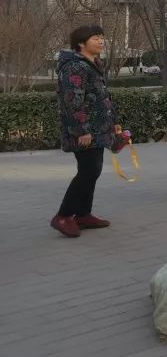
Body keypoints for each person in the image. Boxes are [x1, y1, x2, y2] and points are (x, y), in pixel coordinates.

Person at [51, 26, 119, 238]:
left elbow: (101, 96)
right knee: (88, 170)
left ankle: (82, 214)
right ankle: (63, 216)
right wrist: (82, 130)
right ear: (81, 43)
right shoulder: (74, 67)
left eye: (102, 37)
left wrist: (113, 122)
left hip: (98, 128)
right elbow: (73, 100)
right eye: (96, 38)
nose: (101, 41)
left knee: (93, 169)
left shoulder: (94, 64)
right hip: (83, 130)